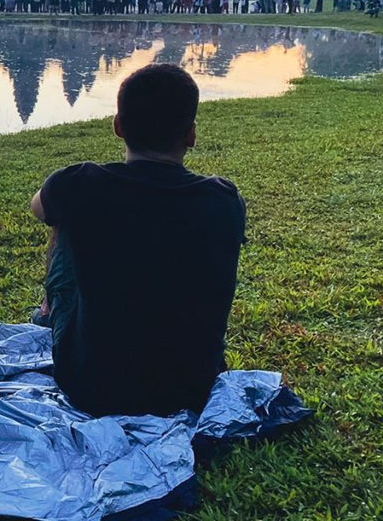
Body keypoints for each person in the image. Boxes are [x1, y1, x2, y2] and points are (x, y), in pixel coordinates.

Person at [30, 64, 245, 417]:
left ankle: (47, 314)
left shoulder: (80, 184)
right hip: (194, 388)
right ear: (191, 134)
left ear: (117, 126)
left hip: (92, 387)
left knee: (63, 219)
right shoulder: (224, 199)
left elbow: (38, 208)